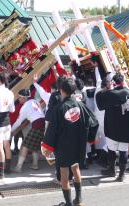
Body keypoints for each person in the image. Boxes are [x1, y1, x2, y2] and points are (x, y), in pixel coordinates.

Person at [42, 77, 98, 206]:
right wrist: (90, 139)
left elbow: (52, 130)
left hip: (63, 145)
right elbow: (94, 122)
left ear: (61, 90)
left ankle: (68, 203)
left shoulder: (59, 108)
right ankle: (78, 200)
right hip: (78, 143)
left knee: (64, 172)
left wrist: (47, 146)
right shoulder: (81, 105)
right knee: (76, 167)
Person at [96, 73, 129, 182]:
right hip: (126, 128)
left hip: (112, 127)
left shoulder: (110, 94)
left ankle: (112, 170)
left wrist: (106, 88)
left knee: (111, 150)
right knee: (123, 151)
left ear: (113, 82)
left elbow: (99, 100)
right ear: (123, 80)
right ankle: (122, 175)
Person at [12, 89, 45, 172]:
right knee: (34, 146)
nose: (18, 99)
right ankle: (35, 165)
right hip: (43, 124)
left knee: (24, 146)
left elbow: (18, 122)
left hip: (37, 125)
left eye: (19, 97)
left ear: (24, 98)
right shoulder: (34, 101)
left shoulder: (24, 107)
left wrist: (11, 131)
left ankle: (18, 168)